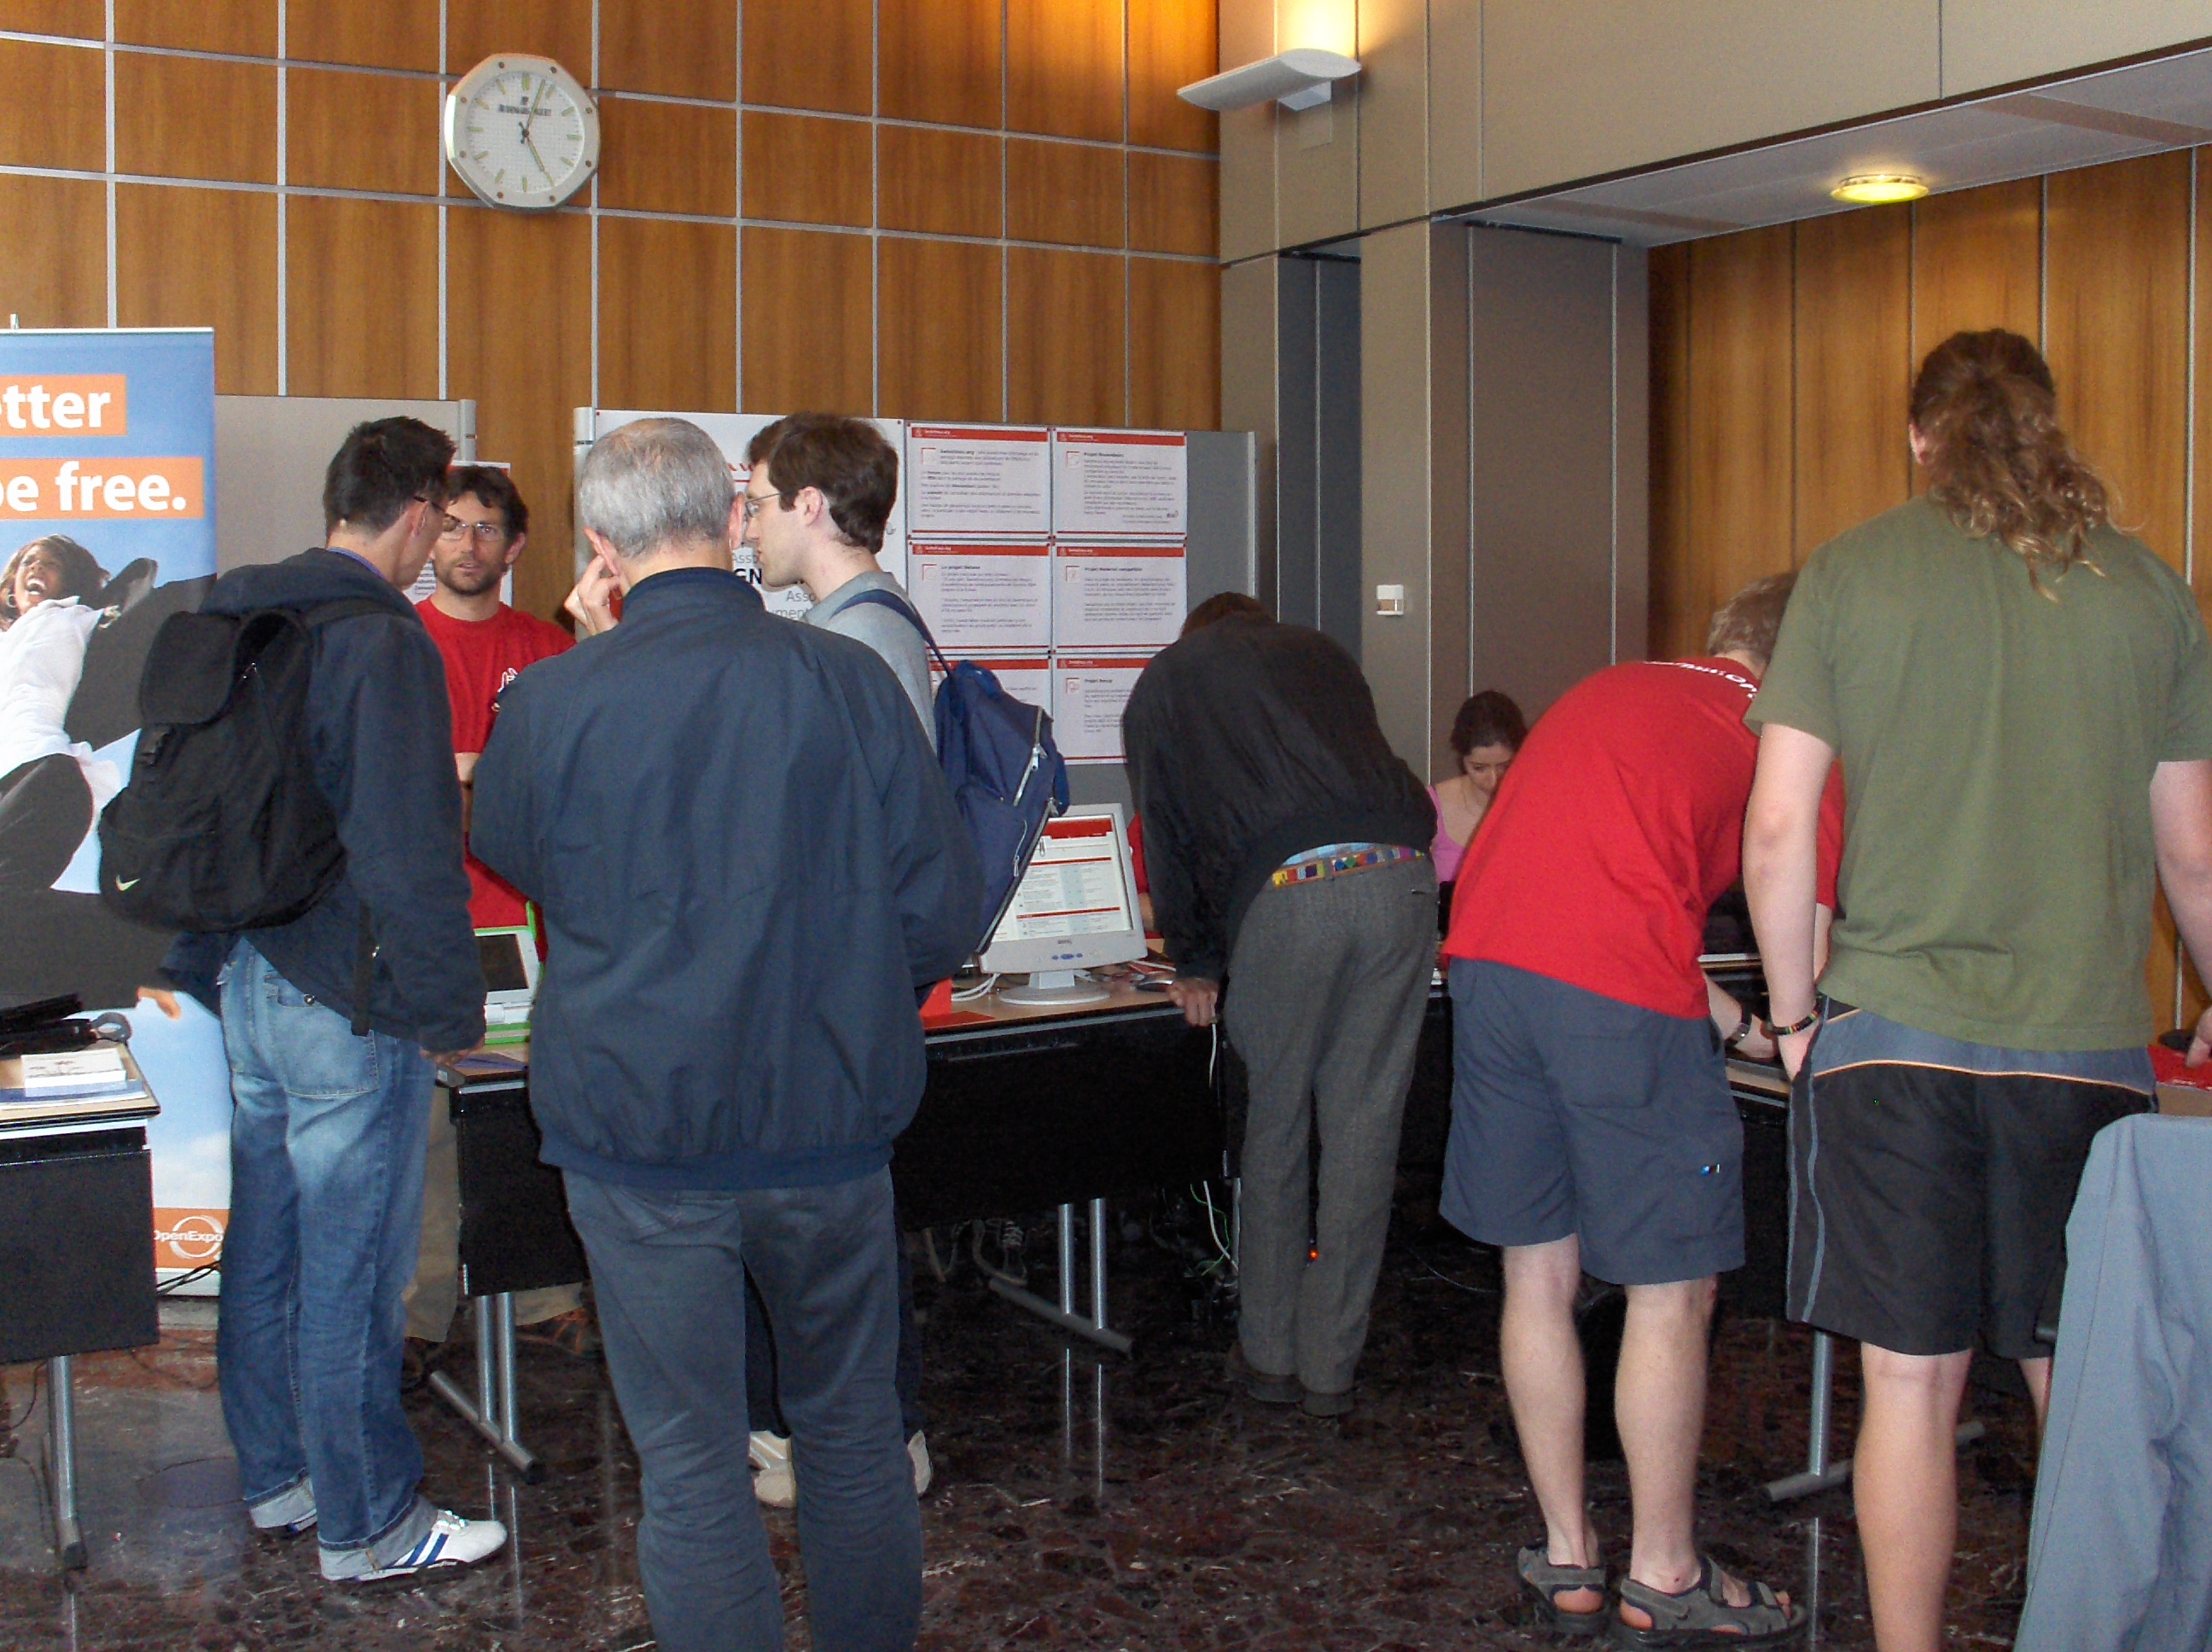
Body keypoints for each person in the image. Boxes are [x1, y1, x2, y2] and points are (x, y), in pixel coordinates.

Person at [471, 417, 980, 1652]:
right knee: (853, 1437)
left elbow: (518, 855)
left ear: (599, 546)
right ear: (737, 522)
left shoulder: (551, 701)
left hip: (638, 1140)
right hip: (826, 1129)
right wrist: (847, 996)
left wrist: (594, 661)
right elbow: (943, 908)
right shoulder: (850, 682)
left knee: (693, 1465)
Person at [1743, 329, 2212, 1652]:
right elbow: (2196, 855)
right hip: (2084, 1051)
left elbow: (1778, 835)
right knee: (2088, 1378)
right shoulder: (2148, 591)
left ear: (1917, 437)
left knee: (1909, 1381)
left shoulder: (1850, 573)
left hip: (1892, 1038)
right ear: (2051, 429)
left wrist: (1791, 1018)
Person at [1441, 574, 1828, 1642]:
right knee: (1671, 1286)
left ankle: (1568, 1554)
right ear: (1804, 657)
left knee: (1539, 1266)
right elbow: (1803, 904)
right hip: (1608, 989)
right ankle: (1665, 1572)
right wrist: (1798, 1025)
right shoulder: (1787, 730)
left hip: (1487, 963)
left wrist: (1740, 1025)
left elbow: (1604, 889)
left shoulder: (1617, 689)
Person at [160, 418, 504, 1584]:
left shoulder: (244, 609)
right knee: (351, 1270)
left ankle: (279, 1481)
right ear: (416, 508)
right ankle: (372, 1525)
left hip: (245, 975)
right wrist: (451, 1006)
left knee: (265, 1248)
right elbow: (406, 845)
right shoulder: (379, 634)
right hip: (347, 994)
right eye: (440, 521)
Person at [1122, 590, 1438, 1418]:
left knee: (1275, 1127)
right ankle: (1332, 1366)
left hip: (1291, 890)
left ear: (1197, 635)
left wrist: (1196, 960)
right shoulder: (1323, 651)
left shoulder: (1166, 681)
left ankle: (1268, 1355)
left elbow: (1169, 828)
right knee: (1365, 1131)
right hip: (1405, 873)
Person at [736, 413, 935, 1505]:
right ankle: (863, 1434)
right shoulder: (871, 626)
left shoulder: (852, 643)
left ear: (811, 506)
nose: (748, 528)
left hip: (833, 991)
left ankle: (869, 1438)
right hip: (850, 986)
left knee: (838, 1231)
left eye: (759, 502)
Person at [402, 465, 590, 1367]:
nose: (467, 544)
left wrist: (467, 766)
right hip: (434, 921)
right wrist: (482, 764)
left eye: (487, 530)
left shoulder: (551, 646)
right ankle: (420, 1310)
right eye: (453, 525)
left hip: (536, 919)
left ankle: (544, 1296)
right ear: (430, 535)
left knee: (532, 1115)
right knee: (430, 1129)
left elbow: (572, 775)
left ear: (514, 548)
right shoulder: (398, 639)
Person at [0, 536, 119, 899]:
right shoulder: (7, 644)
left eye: (50, 564)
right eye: (28, 563)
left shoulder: (71, 616)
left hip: (41, 774)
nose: (36, 568)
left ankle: (141, 939)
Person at [1429, 689, 1525, 922]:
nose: (1494, 781)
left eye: (1505, 766)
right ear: (1462, 760)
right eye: (1479, 768)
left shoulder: (1537, 806)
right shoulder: (1432, 806)